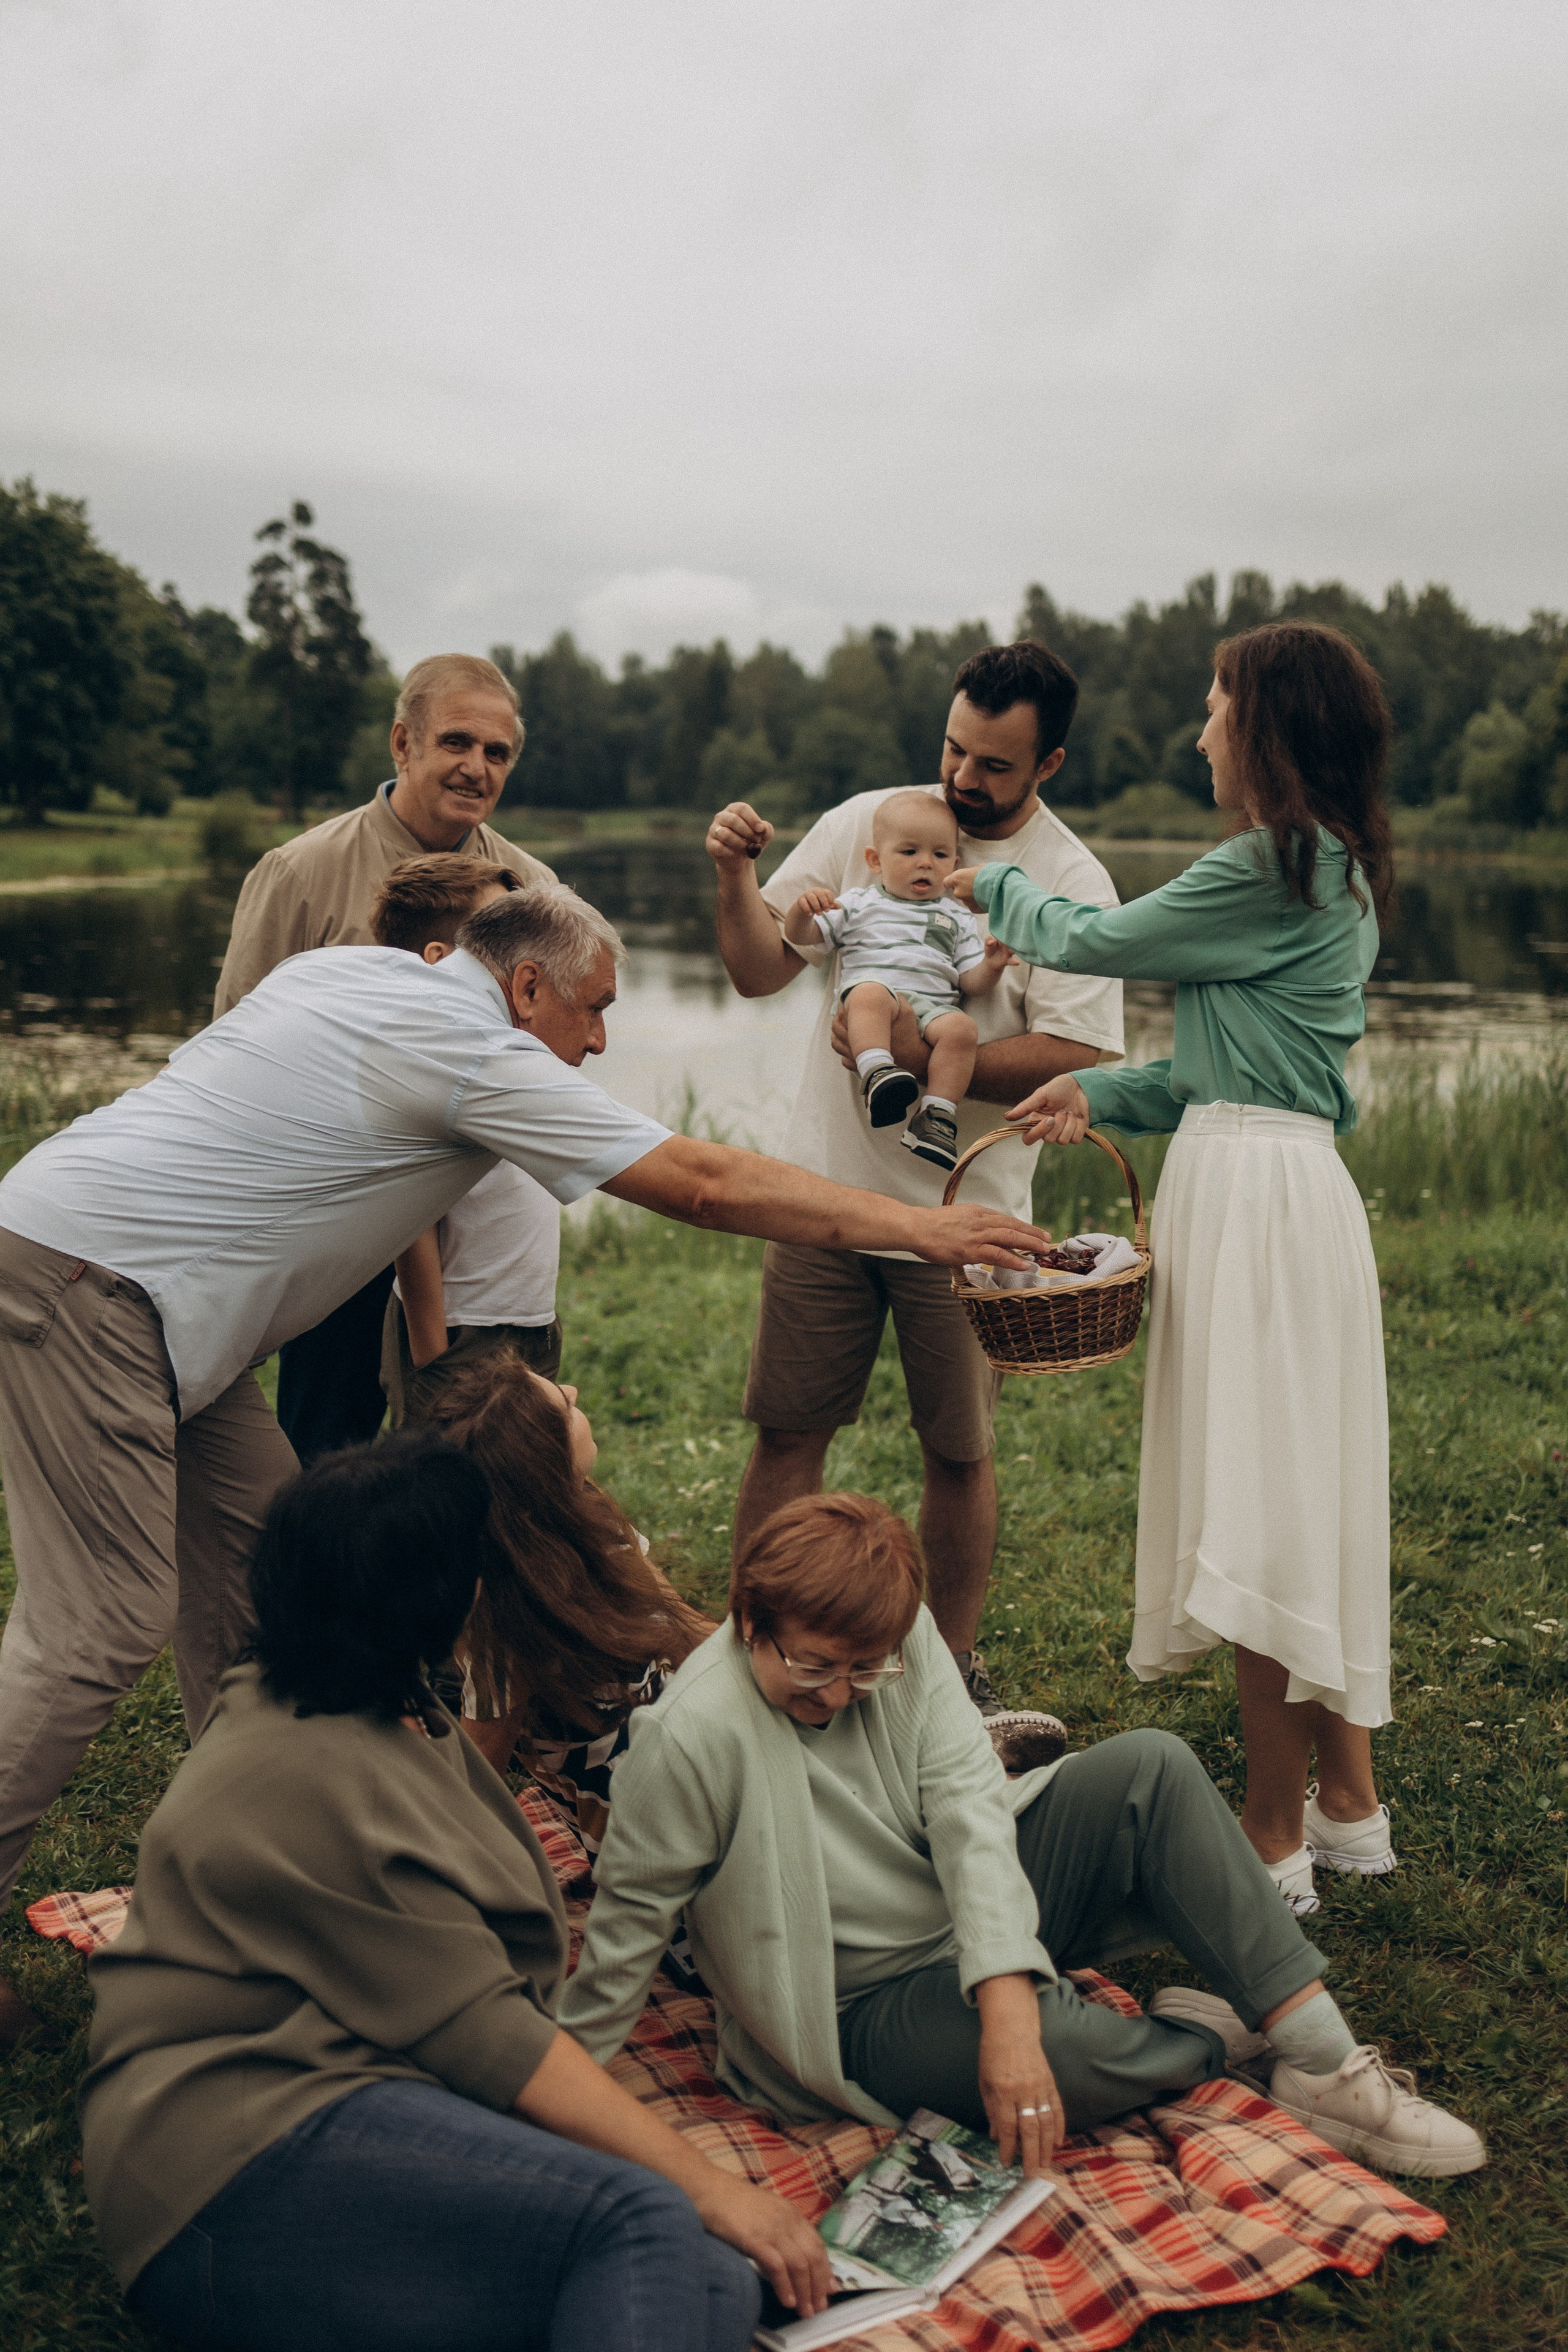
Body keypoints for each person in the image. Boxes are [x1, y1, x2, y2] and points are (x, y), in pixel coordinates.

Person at [0, 888, 1046, 2052]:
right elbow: (695, 1184)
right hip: (92, 1289)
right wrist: (920, 1227)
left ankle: (270, 1876)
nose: (600, 1040)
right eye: (594, 1008)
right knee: (99, 1625)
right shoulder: (469, 1046)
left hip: (152, 1306)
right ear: (526, 986)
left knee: (280, 1589)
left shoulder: (360, 976)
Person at [78, 1433, 830, 2349]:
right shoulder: (305, 1779)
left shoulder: (348, 1692)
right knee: (641, 2217)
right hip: (225, 2165)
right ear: (447, 1601)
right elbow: (494, 2046)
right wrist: (719, 2190)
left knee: (710, 2277)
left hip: (326, 2109)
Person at [562, 1492, 1484, 2182]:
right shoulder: (686, 1741)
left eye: (863, 1670)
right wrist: (555, 2102)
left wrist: (1001, 2007)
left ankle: (1325, 2063)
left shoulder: (902, 1636)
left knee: (1152, 1767)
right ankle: (1204, 2045)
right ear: (748, 1624)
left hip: (967, 1913)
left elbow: (969, 1807)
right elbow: (624, 1934)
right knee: (1060, 2052)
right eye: (810, 1667)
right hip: (857, 2009)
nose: (838, 1693)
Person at [952, 622, 1400, 1918]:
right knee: (1300, 1489)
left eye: (1213, 705)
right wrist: (1091, 1090)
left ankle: (1269, 1836)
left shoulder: (1267, 864)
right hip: (1273, 1180)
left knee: (1261, 1501)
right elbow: (1229, 1076)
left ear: (1260, 727)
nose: (1197, 730)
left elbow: (1086, 940)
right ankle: (1346, 1807)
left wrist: (972, 881)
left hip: (1254, 1206)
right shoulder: (1328, 873)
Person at [707, 639, 1123, 1721]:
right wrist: (734, 878)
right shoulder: (865, 824)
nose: (962, 778)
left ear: (1051, 765)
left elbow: (1080, 1051)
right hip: (824, 1200)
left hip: (969, 1218)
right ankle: (742, 1653)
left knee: (958, 1448)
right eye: (953, 747)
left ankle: (952, 1672)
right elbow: (760, 969)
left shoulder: (1072, 882)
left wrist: (931, 1059)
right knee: (791, 1431)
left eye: (993, 764)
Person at [213, 652, 555, 1465]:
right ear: (403, 743)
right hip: (332, 1222)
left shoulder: (531, 891)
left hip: (469, 1246)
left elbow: (552, 1057)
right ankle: (308, 1586)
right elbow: (227, 1047)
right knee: (325, 1446)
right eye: (456, 742)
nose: (476, 768)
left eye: (497, 752)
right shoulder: (302, 872)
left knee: (465, 1451)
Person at [421, 1352, 712, 1850]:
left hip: (690, 1746)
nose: (575, 1392)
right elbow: (480, 1766)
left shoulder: (587, 1511)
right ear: (545, 1463)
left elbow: (683, 1627)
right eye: (563, 1405)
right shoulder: (505, 1622)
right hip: (640, 1835)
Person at [370, 855, 567, 1422]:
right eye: (499, 931)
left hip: (529, 1320)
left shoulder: (512, 1050)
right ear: (440, 961)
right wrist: (434, 1352)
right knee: (447, 1487)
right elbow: (410, 1216)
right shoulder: (428, 1065)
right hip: (461, 1329)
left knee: (524, 1482)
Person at [782, 789, 1016, 1173]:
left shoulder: (956, 916)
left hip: (934, 1006)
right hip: (874, 995)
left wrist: (993, 964)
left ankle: (936, 1117)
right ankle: (878, 1073)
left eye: (939, 855)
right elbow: (803, 936)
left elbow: (970, 982)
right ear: (875, 860)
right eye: (909, 853)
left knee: (962, 1030)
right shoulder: (858, 903)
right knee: (870, 995)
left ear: (954, 864)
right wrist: (800, 913)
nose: (925, 863)